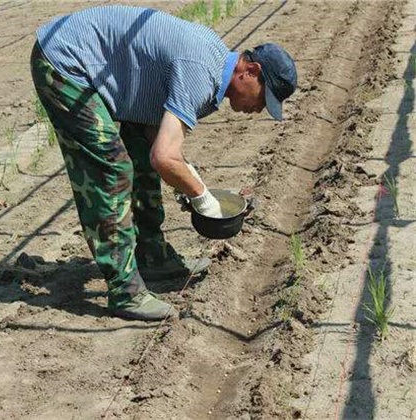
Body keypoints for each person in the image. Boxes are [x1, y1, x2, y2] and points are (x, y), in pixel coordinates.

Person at [30, 5, 297, 321]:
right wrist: (203, 197)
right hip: (66, 63)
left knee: (141, 150)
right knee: (111, 168)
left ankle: (152, 255)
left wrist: (186, 176)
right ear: (249, 71)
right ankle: (124, 292)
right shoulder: (202, 73)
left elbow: (155, 136)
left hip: (93, 63)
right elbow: (165, 156)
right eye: (262, 98)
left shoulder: (212, 61)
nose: (258, 109)